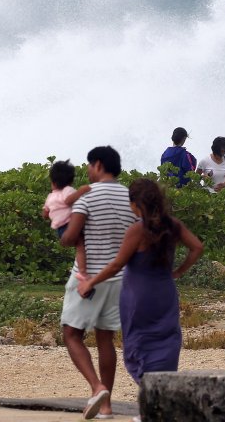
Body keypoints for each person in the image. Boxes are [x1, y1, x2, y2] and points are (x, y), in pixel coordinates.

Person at [77, 178, 204, 388]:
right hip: (165, 292)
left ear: (136, 204)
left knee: (140, 343)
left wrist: (90, 282)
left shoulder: (138, 230)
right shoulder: (173, 225)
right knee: (165, 338)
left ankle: (150, 394)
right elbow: (197, 247)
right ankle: (160, 393)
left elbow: (117, 264)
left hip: (139, 296)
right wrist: (179, 271)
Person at [59, 146, 137, 419]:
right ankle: (106, 407)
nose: (88, 171)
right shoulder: (130, 196)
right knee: (106, 338)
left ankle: (96, 386)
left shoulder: (87, 196)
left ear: (99, 165)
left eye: (89, 165)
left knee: (71, 333)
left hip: (88, 278)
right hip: (120, 279)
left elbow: (70, 237)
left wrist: (61, 228)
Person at [42, 159, 91, 278]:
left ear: (52, 182)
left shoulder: (50, 196)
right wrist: (81, 191)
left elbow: (45, 214)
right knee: (81, 247)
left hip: (59, 230)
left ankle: (81, 271)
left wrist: (54, 214)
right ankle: (83, 272)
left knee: (78, 247)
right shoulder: (68, 190)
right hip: (70, 225)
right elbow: (68, 200)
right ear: (71, 180)